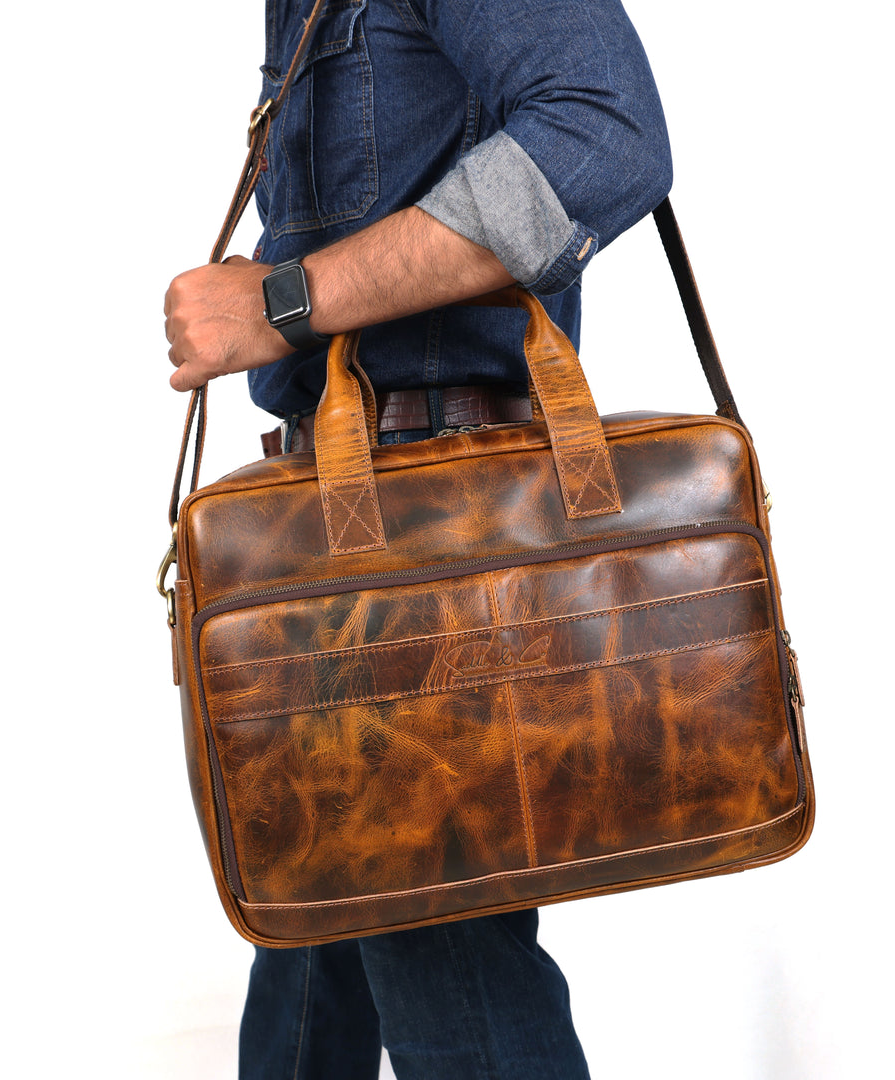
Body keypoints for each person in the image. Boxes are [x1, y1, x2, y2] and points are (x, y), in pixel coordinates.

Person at [164, 2, 672, 1076]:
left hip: (425, 554)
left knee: (447, 967)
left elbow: (605, 136)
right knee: (314, 928)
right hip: (336, 528)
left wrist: (286, 301)